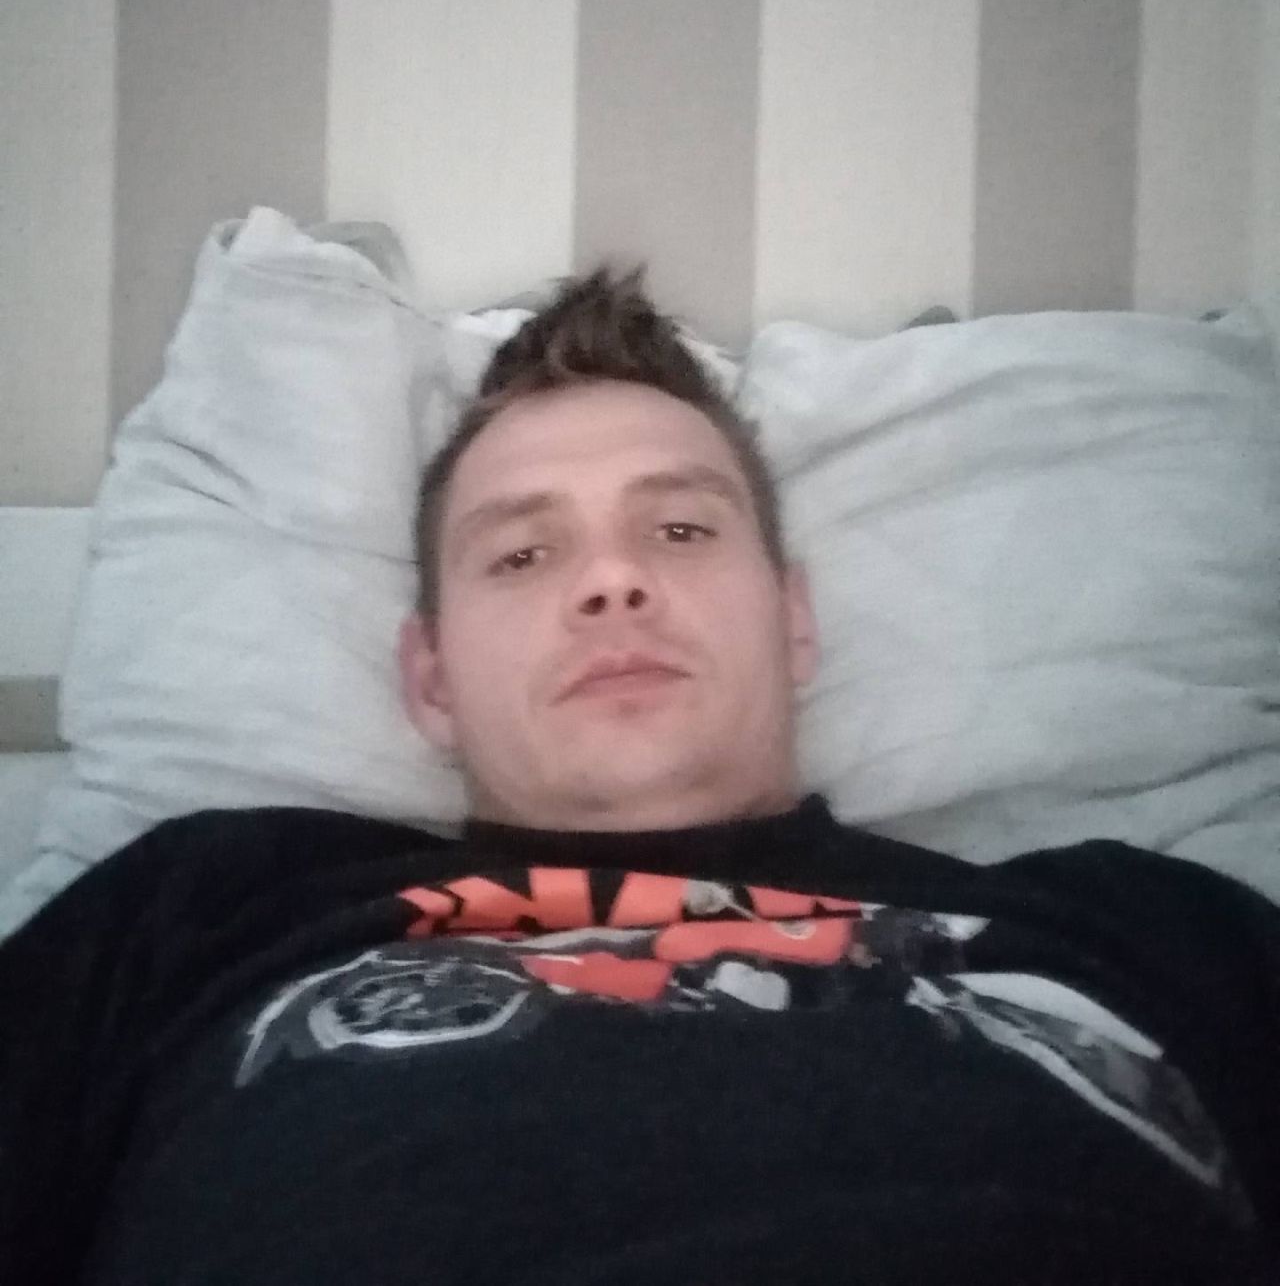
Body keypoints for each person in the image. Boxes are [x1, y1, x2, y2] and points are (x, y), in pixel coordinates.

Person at [1, 266, 1277, 1285]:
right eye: (521, 554)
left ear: (792, 623)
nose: (612, 580)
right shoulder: (195, 913)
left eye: (678, 527)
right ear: (430, 678)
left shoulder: (1147, 933)